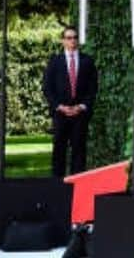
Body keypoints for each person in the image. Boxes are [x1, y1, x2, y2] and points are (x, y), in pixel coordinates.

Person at [43, 26, 99, 177]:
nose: (72, 41)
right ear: (63, 41)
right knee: (59, 149)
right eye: (69, 38)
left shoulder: (87, 61)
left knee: (79, 150)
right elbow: (47, 88)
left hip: (80, 114)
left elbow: (93, 88)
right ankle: (58, 184)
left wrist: (81, 106)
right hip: (61, 114)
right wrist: (59, 107)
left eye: (75, 37)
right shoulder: (55, 62)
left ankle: (78, 182)